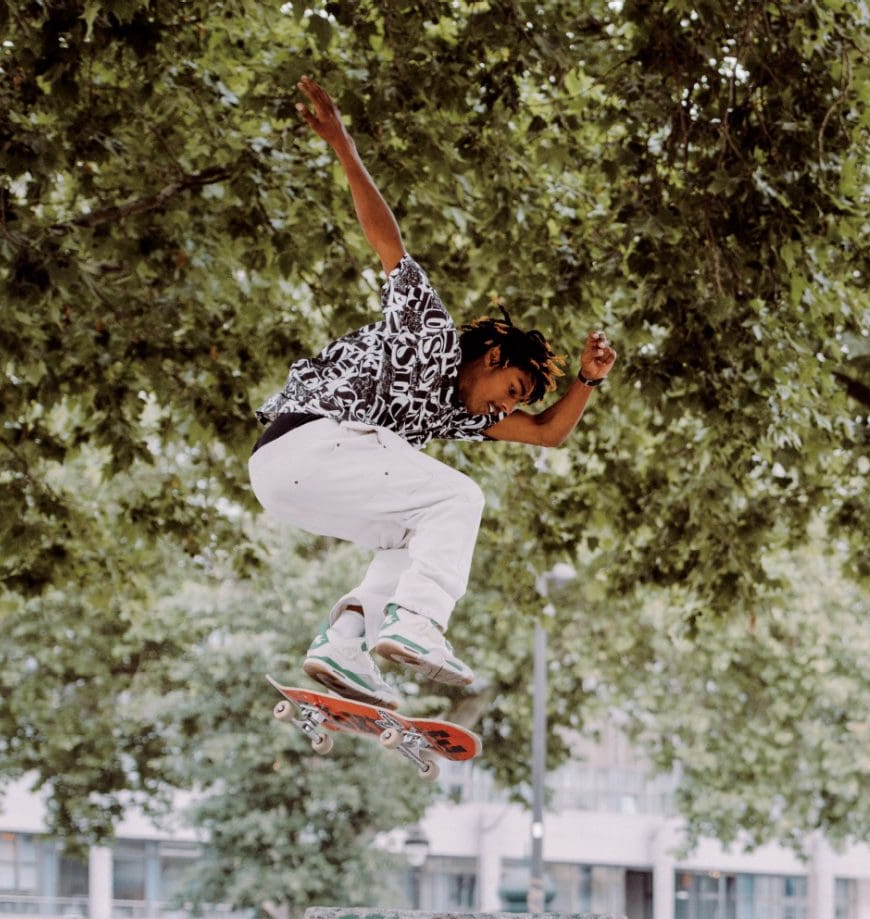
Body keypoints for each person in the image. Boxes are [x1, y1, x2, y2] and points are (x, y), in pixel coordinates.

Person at [250, 76, 616, 707]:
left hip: (283, 481)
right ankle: (419, 623)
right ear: (493, 356)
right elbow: (385, 239)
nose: (508, 407)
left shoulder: (455, 411)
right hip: (308, 441)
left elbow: (548, 434)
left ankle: (345, 640)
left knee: (416, 531)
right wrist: (343, 145)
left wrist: (587, 381)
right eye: (512, 388)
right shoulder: (433, 332)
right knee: (459, 497)